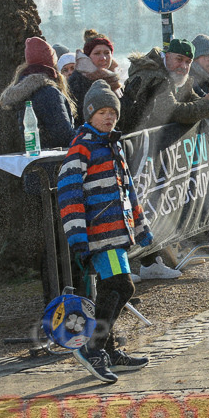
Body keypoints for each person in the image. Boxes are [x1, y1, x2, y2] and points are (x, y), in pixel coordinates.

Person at [58, 80, 152, 383]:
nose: (109, 116)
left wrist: (140, 224)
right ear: (88, 114)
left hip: (118, 231)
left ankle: (108, 350)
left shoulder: (113, 144)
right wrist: (77, 239)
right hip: (99, 234)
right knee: (122, 286)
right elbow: (69, 194)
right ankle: (93, 347)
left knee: (117, 288)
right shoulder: (82, 146)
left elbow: (128, 190)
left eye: (113, 111)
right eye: (102, 111)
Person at [122, 40, 209, 279]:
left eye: (188, 62)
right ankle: (125, 268)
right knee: (140, 206)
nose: (184, 66)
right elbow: (175, 112)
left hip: (153, 153)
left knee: (153, 205)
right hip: (136, 151)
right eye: (179, 59)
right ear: (166, 56)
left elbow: (192, 103)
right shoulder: (154, 77)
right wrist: (207, 104)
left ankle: (152, 262)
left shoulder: (177, 78)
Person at [0, 37, 77, 149]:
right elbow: (63, 135)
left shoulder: (19, 92)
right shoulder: (49, 92)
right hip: (52, 159)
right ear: (52, 61)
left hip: (30, 159)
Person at [68, 31, 123, 128]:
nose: (103, 58)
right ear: (88, 57)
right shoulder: (78, 80)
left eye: (107, 53)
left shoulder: (113, 79)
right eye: (97, 53)